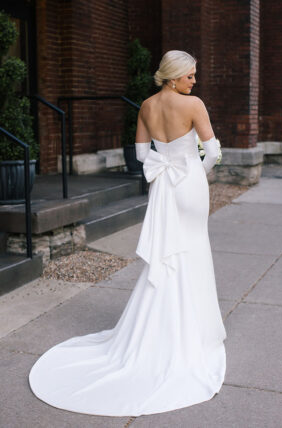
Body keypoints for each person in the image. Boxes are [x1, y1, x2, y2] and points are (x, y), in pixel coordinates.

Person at [29, 50, 227, 417]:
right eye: (190, 76)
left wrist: (165, 165)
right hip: (189, 186)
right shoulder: (194, 104)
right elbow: (213, 151)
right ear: (173, 77)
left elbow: (139, 154)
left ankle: (158, 331)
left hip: (164, 185)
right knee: (192, 249)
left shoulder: (147, 106)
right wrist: (198, 171)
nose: (194, 82)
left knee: (169, 252)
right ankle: (192, 334)